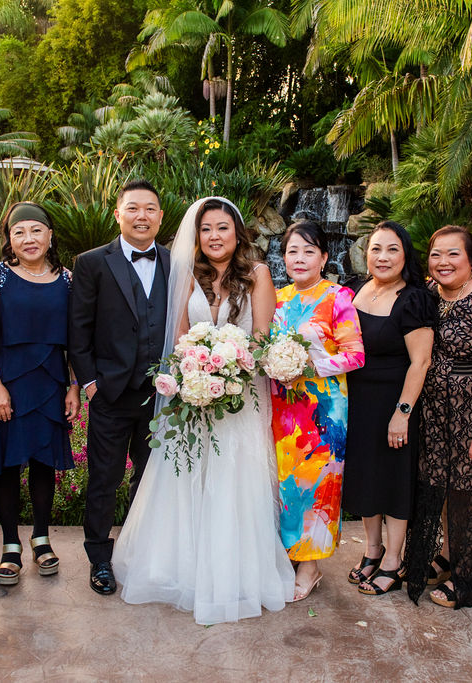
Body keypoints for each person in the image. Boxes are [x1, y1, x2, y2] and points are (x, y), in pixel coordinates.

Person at [113, 197, 295, 624]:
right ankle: (186, 571)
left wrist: (230, 366)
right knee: (189, 478)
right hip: (194, 396)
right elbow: (178, 336)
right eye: (206, 229)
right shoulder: (186, 275)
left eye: (222, 228)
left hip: (242, 398)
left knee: (234, 482)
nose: (214, 237)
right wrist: (195, 367)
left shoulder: (258, 275)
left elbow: (262, 337)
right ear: (197, 236)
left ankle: (234, 575)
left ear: (237, 233)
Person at [69, 179, 170, 595]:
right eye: (132, 208)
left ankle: (138, 552)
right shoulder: (92, 262)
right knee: (104, 479)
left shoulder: (176, 262)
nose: (141, 216)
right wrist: (90, 383)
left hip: (162, 396)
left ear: (160, 217)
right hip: (110, 393)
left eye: (149, 209)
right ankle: (100, 558)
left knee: (150, 479)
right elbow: (78, 328)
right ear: (118, 214)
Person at [0, 202, 80, 586]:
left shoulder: (69, 280)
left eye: (36, 230)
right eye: (19, 232)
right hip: (5, 386)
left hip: (50, 385)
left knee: (43, 463)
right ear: (9, 239)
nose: (28, 238)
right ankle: (9, 545)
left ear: (50, 235)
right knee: (6, 465)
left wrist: (73, 386)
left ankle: (41, 538)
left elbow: (76, 341)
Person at [405, 225, 472, 609]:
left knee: (470, 493)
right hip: (435, 412)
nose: (443, 262)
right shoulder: (431, 294)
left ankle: (468, 577)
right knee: (442, 488)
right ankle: (448, 556)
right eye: (436, 254)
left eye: (453, 254)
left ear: (469, 258)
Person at [271, 220, 365, 602]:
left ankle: (310, 566)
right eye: (292, 251)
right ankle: (289, 554)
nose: (300, 258)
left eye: (309, 251)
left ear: (324, 257)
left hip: (322, 410)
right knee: (284, 483)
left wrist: (308, 366)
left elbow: (355, 355)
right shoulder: (276, 298)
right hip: (281, 407)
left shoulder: (338, 297)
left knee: (317, 483)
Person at [342, 221, 435, 595]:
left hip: (394, 403)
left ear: (405, 255)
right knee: (366, 477)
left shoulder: (413, 299)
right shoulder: (354, 289)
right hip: (357, 402)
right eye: (376, 249)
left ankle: (394, 561)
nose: (383, 257)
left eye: (392, 249)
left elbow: (421, 361)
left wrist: (402, 413)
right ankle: (373, 550)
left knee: (394, 479)